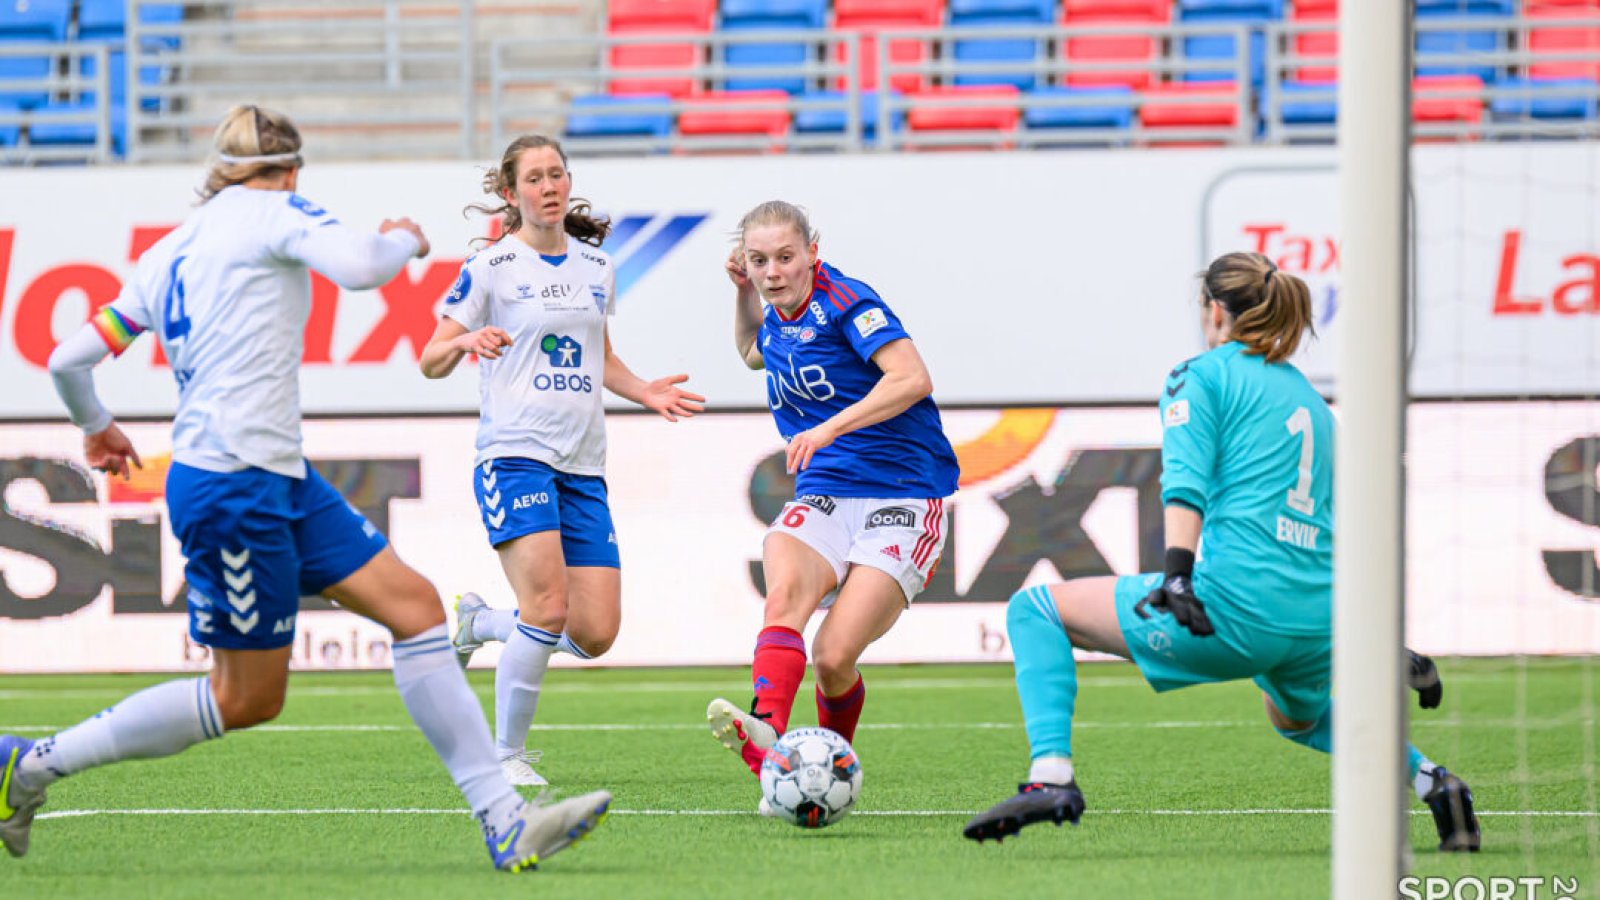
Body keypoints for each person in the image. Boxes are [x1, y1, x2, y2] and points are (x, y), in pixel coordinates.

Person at [1, 106, 610, 873]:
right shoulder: (277, 211)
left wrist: (98, 426)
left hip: (277, 476)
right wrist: (404, 240)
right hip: (232, 486)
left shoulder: (170, 250)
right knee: (244, 697)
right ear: (291, 168)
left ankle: (504, 819)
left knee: (417, 611)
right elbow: (363, 267)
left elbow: (68, 357)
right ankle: (28, 766)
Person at [962, 251, 1480, 853]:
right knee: (1295, 717)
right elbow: (1346, 523)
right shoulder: (1312, 403)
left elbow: (1184, 483)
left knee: (1036, 610)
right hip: (1318, 617)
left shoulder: (1200, 375)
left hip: (1237, 606)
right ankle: (1435, 783)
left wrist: (1177, 576)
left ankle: (1049, 779)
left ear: (1214, 311)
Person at [421, 135, 703, 787]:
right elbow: (430, 360)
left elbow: (600, 357)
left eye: (557, 175)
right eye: (535, 178)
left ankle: (480, 622)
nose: (549, 187)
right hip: (515, 455)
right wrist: (465, 338)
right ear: (511, 193)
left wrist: (645, 391)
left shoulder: (596, 267)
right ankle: (503, 757)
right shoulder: (491, 268)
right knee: (546, 608)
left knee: (597, 631)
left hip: (584, 466)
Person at [704, 200, 959, 813]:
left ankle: (823, 769)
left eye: (785, 258)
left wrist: (829, 429)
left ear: (812, 252)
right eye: (758, 261)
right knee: (784, 588)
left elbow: (912, 378)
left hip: (902, 493)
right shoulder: (776, 313)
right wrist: (742, 297)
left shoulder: (847, 303)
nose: (772, 272)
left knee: (834, 656)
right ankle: (768, 739)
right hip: (827, 492)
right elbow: (750, 351)